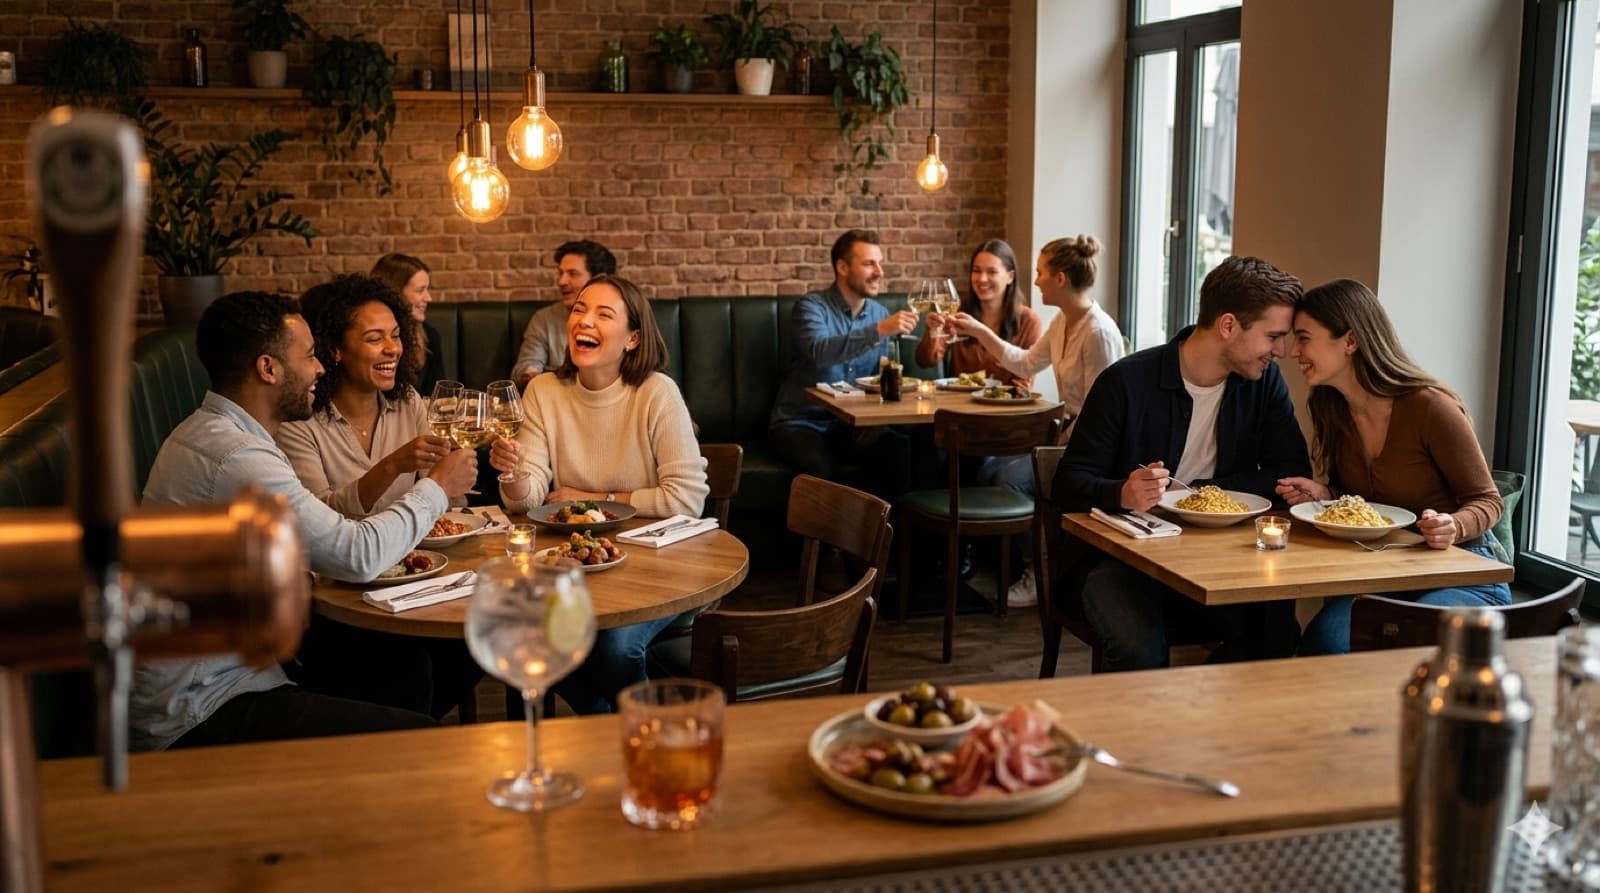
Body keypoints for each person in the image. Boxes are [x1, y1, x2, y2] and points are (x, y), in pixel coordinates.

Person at [130, 291, 479, 751]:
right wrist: (436, 486)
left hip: (243, 666)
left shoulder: (214, 432)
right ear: (268, 369)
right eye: (311, 355)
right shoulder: (237, 456)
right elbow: (357, 555)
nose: (319, 368)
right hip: (200, 707)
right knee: (420, 739)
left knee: (414, 665)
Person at [1053, 255, 1311, 672]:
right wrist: (1121, 491)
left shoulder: (1263, 385)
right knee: (1138, 647)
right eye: (1273, 336)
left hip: (1222, 559)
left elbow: (1291, 471)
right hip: (1119, 563)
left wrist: (1202, 492)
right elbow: (1067, 483)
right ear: (1228, 326)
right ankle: (1134, 738)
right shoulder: (1126, 383)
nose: (1281, 351)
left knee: (1276, 630)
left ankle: (1212, 727)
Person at [493, 274, 708, 713]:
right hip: (575, 568)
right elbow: (529, 499)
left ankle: (634, 734)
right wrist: (511, 473)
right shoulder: (544, 390)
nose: (583, 320)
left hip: (661, 569)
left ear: (632, 338)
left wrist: (588, 498)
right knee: (522, 636)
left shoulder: (656, 392)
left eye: (602, 314)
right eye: (579, 310)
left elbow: (687, 499)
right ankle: (580, 738)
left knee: (612, 648)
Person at [277, 275, 482, 718]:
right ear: (334, 350)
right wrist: (391, 466)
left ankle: (414, 735)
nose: (393, 348)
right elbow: (321, 518)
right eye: (375, 339)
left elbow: (444, 503)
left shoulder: (408, 402)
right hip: (339, 599)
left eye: (395, 336)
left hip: (416, 581)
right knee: (410, 669)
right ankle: (405, 743)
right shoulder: (301, 421)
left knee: (480, 639)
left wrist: (462, 480)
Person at [1275, 279, 1507, 655]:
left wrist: (1454, 525)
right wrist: (1325, 495)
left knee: (1407, 645)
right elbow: (1366, 503)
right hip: (1387, 571)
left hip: (1462, 570)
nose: (1292, 352)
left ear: (1350, 341)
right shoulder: (1331, 408)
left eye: (1304, 338)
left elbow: (1488, 500)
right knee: (1326, 644)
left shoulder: (1430, 408)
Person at [942, 235, 1124, 607]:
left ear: (1060, 279)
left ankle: (1039, 570)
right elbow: (1024, 363)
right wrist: (978, 330)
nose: (1035, 280)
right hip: (1065, 437)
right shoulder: (1063, 322)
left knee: (1008, 477)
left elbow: (1102, 413)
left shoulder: (1099, 332)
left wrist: (1057, 441)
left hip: (1089, 448)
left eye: (1040, 273)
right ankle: (1028, 563)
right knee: (990, 472)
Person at [768, 229, 919, 504]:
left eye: (880, 263)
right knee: (820, 466)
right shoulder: (811, 307)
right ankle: (822, 547)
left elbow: (877, 379)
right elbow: (820, 352)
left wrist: (875, 421)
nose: (879, 272)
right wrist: (880, 330)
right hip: (801, 423)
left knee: (899, 448)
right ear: (842, 267)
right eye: (869, 264)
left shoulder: (878, 313)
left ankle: (883, 541)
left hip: (849, 424)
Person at [917, 238, 1042, 387]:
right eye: (977, 271)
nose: (982, 279)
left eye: (992, 272)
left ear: (1010, 277)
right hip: (958, 405)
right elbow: (925, 361)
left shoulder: (1029, 321)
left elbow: (1023, 385)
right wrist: (933, 332)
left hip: (1004, 407)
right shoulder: (958, 313)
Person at [511, 239, 617, 387]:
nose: (562, 281)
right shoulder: (544, 318)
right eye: (560, 273)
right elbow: (527, 365)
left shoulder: (623, 318)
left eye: (572, 274)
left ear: (598, 279)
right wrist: (531, 374)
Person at [371, 253, 445, 395]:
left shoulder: (430, 335)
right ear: (395, 291)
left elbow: (438, 396)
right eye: (420, 290)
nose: (428, 298)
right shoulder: (369, 343)